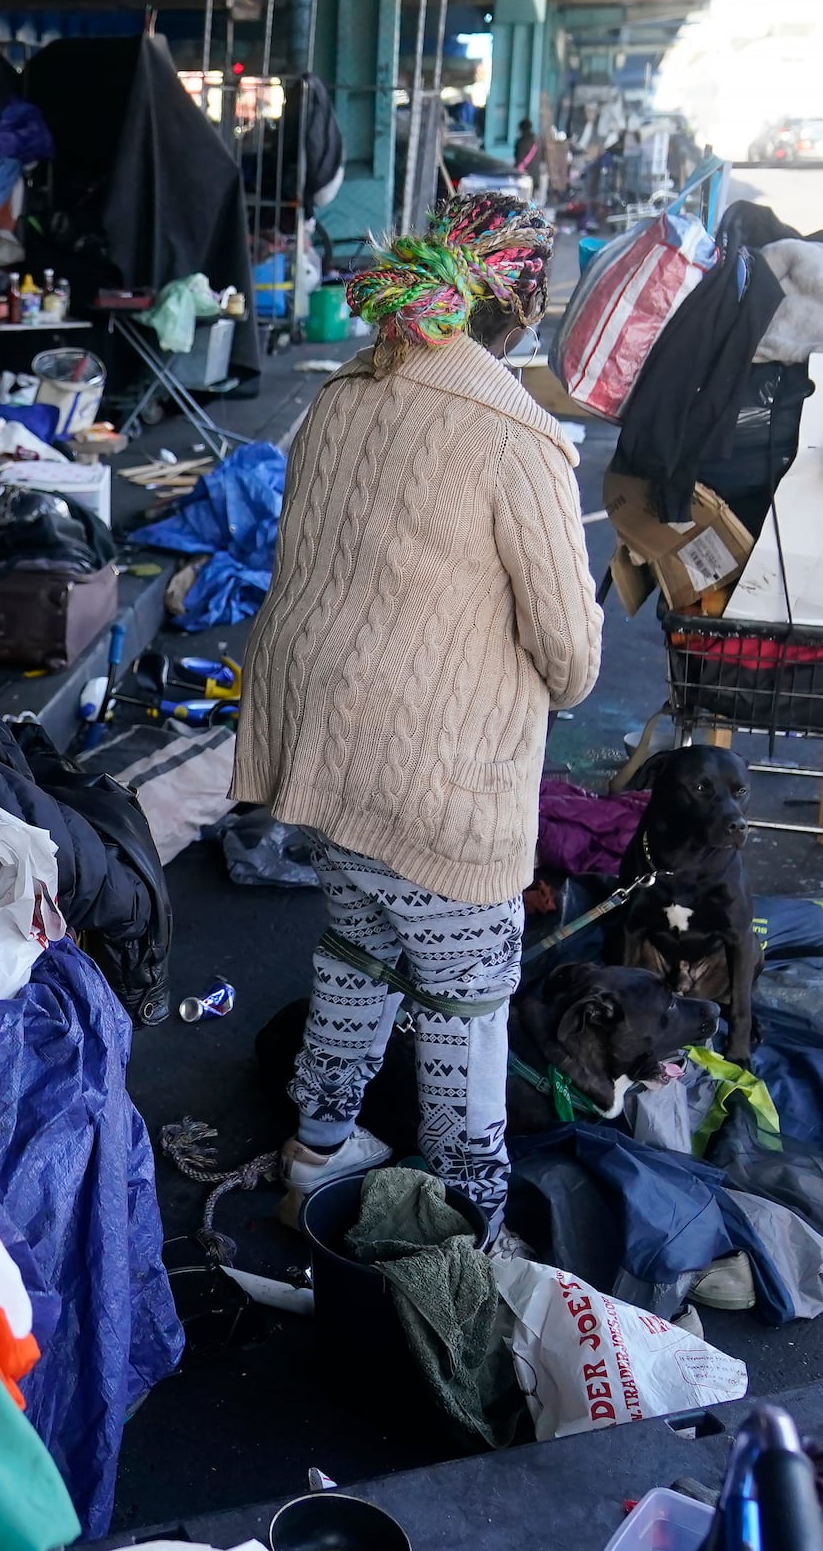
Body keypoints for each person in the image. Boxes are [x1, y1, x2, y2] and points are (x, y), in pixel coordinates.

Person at [231, 190, 602, 1249]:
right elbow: (570, 664)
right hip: (436, 772)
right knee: (466, 1006)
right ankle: (459, 1226)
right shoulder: (511, 431)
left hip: (322, 750)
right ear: (520, 306)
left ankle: (318, 1150)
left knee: (357, 952)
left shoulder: (343, 389)